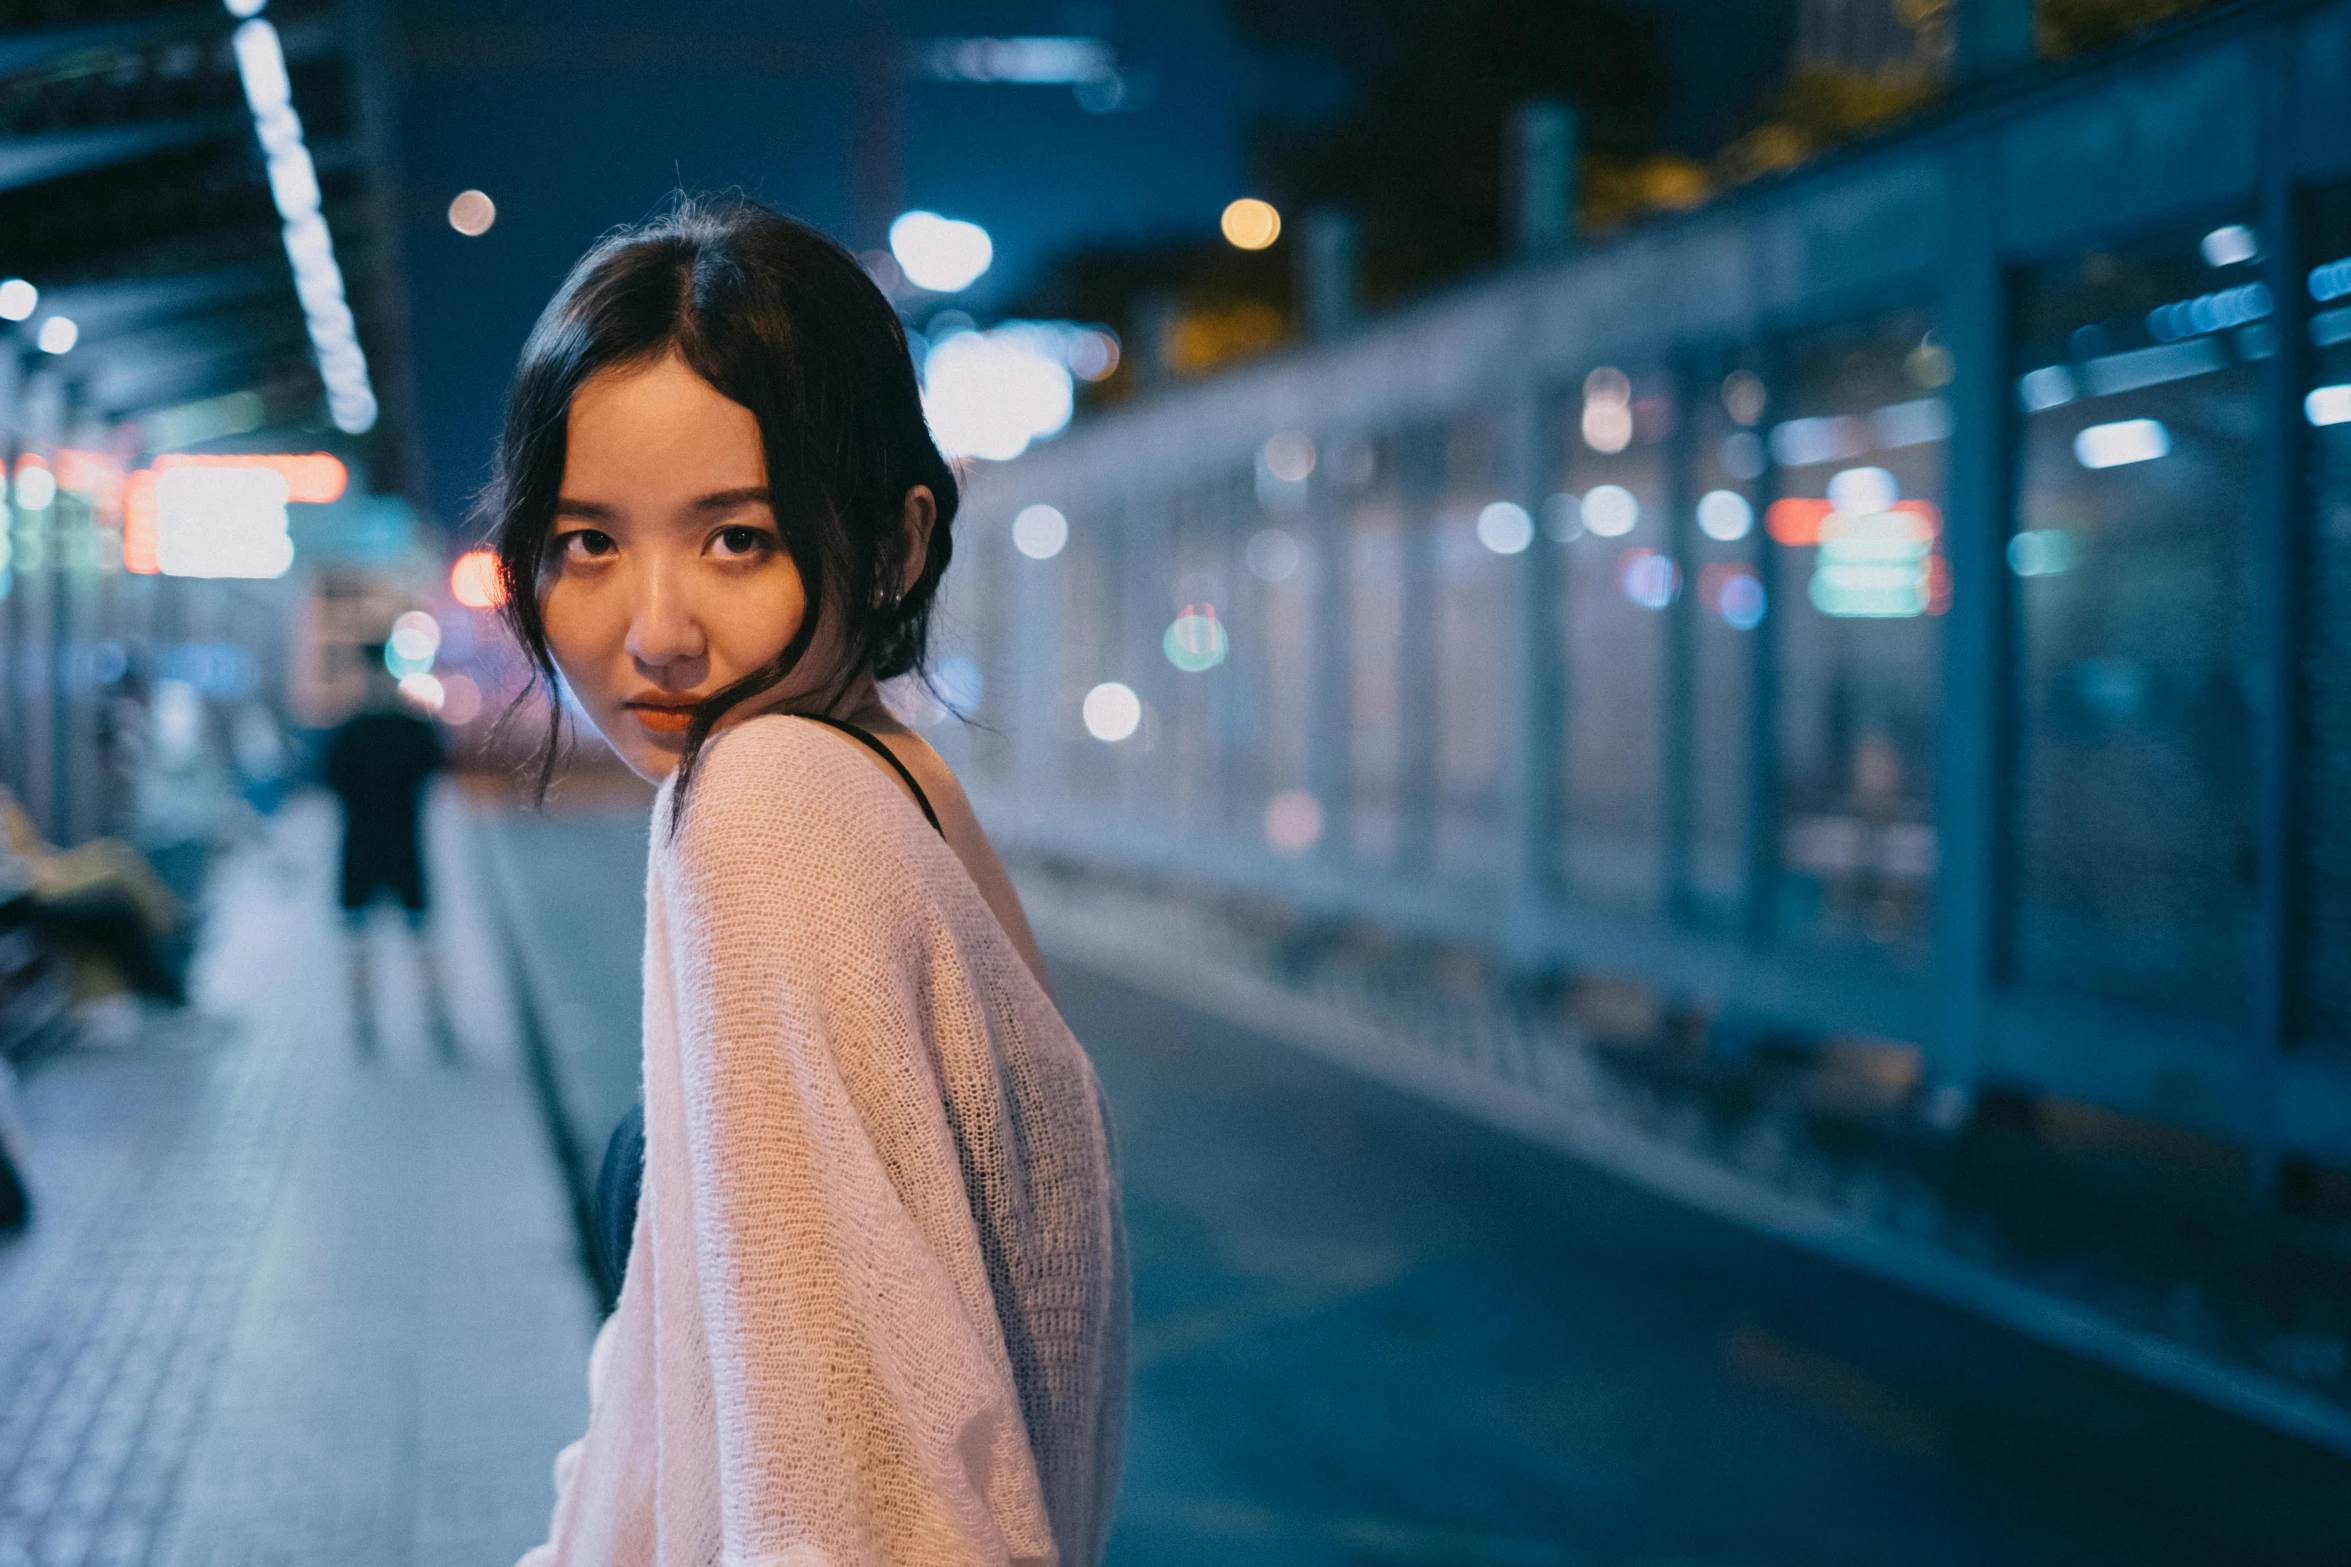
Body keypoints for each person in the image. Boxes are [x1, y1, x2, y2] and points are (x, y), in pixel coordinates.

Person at [491, 198, 1127, 1566]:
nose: (654, 633)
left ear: (893, 542)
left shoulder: (768, 799)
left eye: (737, 538)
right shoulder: (902, 784)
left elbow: (864, 1497)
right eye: (590, 541)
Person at [323, 653, 452, 1057]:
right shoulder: (415, 729)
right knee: (421, 940)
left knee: (357, 942)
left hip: (358, 850)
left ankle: (364, 1026)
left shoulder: (348, 732)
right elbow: (439, 766)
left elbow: (328, 780)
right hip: (405, 849)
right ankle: (437, 1023)